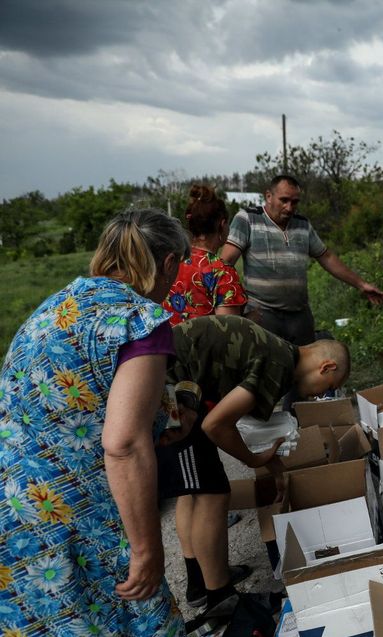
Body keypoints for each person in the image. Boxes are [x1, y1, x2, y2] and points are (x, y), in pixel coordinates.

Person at [0, 209, 189, 634]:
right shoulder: (141, 323)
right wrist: (146, 549)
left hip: (11, 507)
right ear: (170, 264)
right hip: (72, 516)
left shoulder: (58, 305)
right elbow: (123, 443)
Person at [157, 314, 351, 608]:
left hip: (175, 386)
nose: (319, 394)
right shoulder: (279, 366)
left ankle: (208, 581)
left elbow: (240, 413)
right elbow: (215, 426)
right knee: (210, 494)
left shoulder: (280, 351)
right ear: (327, 367)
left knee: (201, 490)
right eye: (326, 387)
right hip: (168, 395)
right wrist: (252, 459)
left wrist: (272, 464)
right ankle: (220, 597)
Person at [159, 184, 250, 609]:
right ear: (222, 225)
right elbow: (225, 339)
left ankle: (199, 581)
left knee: (189, 490)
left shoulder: (167, 268)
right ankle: (218, 594)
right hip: (195, 398)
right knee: (212, 491)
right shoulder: (219, 271)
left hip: (160, 387)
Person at [219, 175, 383, 346]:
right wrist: (232, 309)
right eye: (284, 200)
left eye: (295, 202)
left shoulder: (302, 224)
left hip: (299, 316)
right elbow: (225, 263)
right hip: (262, 315)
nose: (289, 208)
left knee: (305, 367)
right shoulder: (248, 219)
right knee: (270, 367)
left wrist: (361, 284)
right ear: (268, 196)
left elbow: (326, 256)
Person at [163, 184, 247, 326]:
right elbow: (227, 331)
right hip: (200, 347)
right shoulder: (222, 272)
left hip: (165, 344)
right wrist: (253, 320)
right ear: (222, 224)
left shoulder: (171, 261)